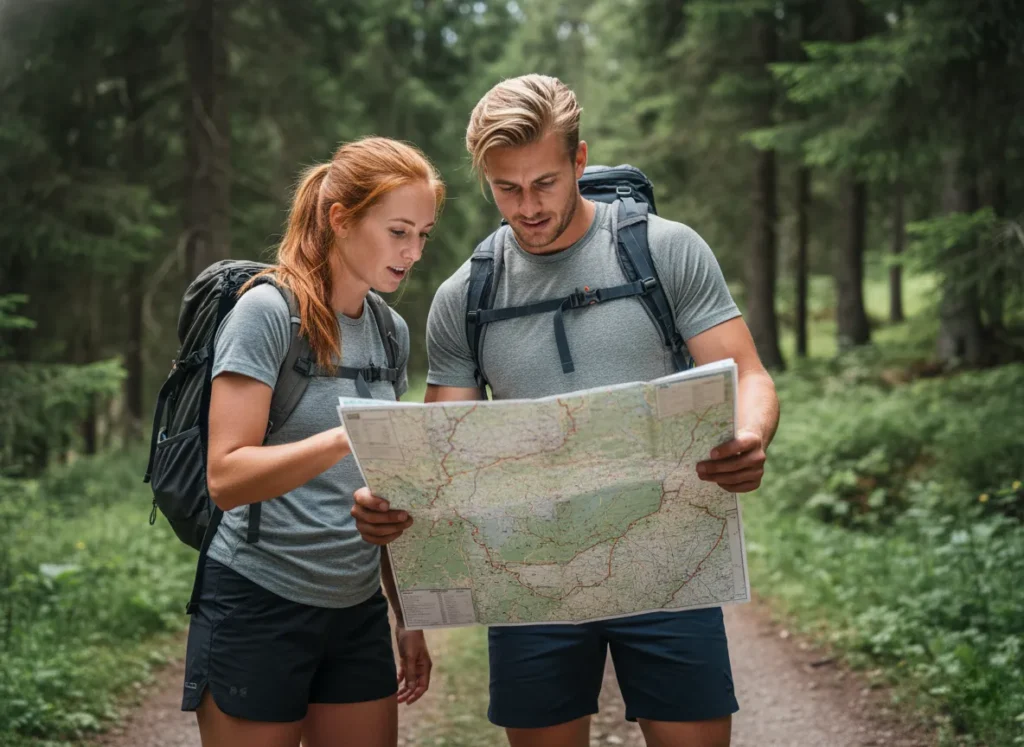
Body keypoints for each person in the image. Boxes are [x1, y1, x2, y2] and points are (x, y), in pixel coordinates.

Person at [352, 75, 780, 747]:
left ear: (579, 161)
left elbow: (749, 374)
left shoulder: (664, 250)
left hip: (671, 562)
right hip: (529, 579)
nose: (526, 207)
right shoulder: (465, 295)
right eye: (506, 188)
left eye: (545, 182)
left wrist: (750, 435)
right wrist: (395, 504)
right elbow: (441, 456)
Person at [181, 136, 444, 747]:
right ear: (340, 219)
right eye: (399, 231)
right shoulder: (268, 313)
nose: (414, 252)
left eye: (424, 234)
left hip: (355, 612)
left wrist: (408, 616)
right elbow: (226, 476)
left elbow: (383, 492)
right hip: (258, 601)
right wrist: (346, 434)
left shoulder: (389, 332)